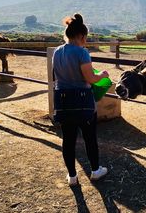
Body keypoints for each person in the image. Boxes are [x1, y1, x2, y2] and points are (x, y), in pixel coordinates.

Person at [52, 13, 109, 186]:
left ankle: (72, 176)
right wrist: (103, 75)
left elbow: (58, 76)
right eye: (86, 37)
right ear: (81, 36)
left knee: (68, 140)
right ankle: (95, 170)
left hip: (62, 100)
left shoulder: (57, 51)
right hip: (83, 101)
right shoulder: (82, 52)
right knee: (89, 137)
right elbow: (90, 78)